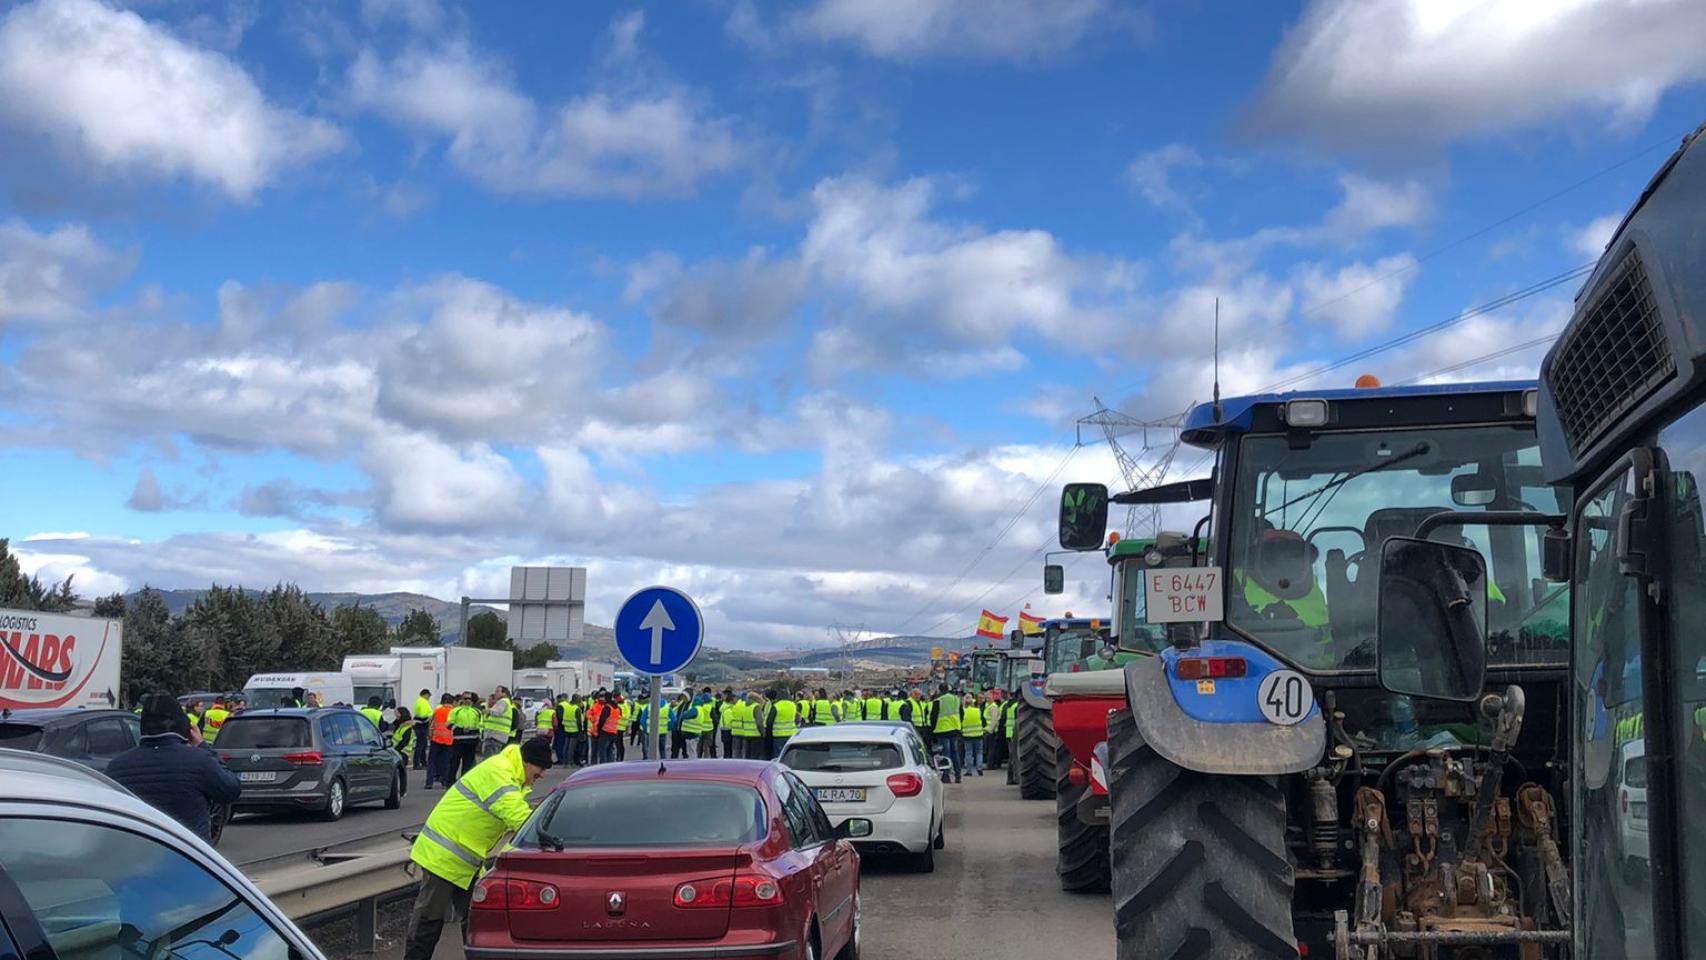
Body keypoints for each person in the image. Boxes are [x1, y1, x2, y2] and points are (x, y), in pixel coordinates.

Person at [403, 738, 551, 960]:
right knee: (429, 921)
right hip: (443, 856)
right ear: (527, 762)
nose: (542, 775)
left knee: (479, 919)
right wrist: (552, 836)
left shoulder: (512, 774)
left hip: (465, 860)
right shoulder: (498, 771)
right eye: (540, 769)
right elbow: (517, 815)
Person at [107, 693, 242, 843]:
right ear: (184, 727)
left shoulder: (116, 768)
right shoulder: (198, 760)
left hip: (138, 856)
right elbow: (231, 789)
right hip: (188, 855)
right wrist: (203, 746)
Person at [931, 684, 963, 784]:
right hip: (955, 728)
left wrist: (933, 729)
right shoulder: (956, 699)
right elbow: (962, 713)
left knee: (945, 754)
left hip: (943, 729)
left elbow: (933, 716)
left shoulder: (938, 701)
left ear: (939, 690)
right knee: (955, 753)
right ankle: (958, 776)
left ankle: (946, 776)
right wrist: (958, 723)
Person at [450, 693, 483, 780]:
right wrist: (461, 729)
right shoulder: (456, 711)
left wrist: (473, 730)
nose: (467, 700)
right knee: (454, 762)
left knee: (468, 764)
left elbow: (481, 725)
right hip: (458, 740)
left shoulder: (476, 712)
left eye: (469, 699)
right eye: (465, 698)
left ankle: (464, 782)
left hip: (471, 741)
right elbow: (449, 724)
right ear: (462, 699)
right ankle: (450, 781)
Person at [426, 694, 455, 789]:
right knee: (446, 762)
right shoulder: (453, 712)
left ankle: (429, 782)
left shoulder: (437, 711)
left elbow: (432, 724)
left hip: (436, 739)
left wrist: (430, 735)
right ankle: (445, 782)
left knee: (432, 761)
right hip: (449, 740)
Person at [764, 689, 799, 759]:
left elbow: (769, 722)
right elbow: (797, 718)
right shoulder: (793, 705)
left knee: (778, 757)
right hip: (791, 734)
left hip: (778, 735)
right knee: (789, 755)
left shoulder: (776, 706)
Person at [482, 687, 515, 758]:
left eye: (497, 691)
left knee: (489, 759)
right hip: (499, 735)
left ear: (504, 693)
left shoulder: (503, 701)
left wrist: (488, 711)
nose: (495, 693)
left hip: (495, 734)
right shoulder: (507, 702)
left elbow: (497, 712)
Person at [391, 706, 414, 797]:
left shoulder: (408, 727)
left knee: (401, 772)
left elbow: (405, 741)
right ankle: (400, 790)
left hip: (403, 752)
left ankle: (403, 790)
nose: (395, 715)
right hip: (396, 751)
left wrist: (396, 749)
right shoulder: (400, 725)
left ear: (402, 714)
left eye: (397, 713)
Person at [960, 697, 986, 775]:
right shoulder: (978, 711)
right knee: (979, 753)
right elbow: (984, 723)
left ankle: (969, 770)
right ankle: (980, 768)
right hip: (978, 735)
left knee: (968, 753)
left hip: (967, 735)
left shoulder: (963, 711)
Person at [412, 688, 433, 768]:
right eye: (429, 695)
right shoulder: (423, 702)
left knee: (423, 745)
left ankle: (423, 762)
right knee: (420, 745)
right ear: (425, 694)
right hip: (422, 725)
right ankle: (417, 763)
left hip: (419, 725)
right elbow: (423, 716)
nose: (429, 697)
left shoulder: (419, 701)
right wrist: (429, 718)